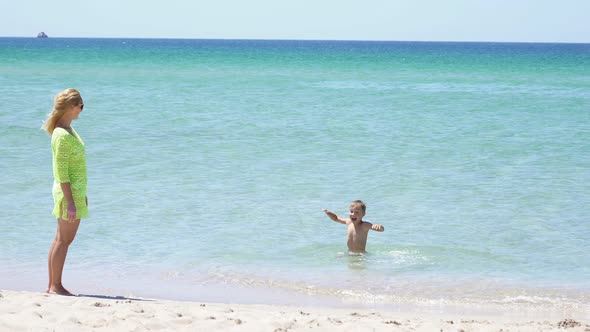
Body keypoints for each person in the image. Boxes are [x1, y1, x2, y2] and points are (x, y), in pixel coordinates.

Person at [41, 88, 88, 296]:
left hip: (75, 192)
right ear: (71, 106)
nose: (82, 110)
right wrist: (69, 201)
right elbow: (61, 173)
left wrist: (81, 194)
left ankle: (53, 285)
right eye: (81, 106)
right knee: (63, 240)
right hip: (67, 193)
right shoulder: (61, 134)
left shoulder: (68, 130)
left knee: (61, 239)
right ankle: (55, 286)